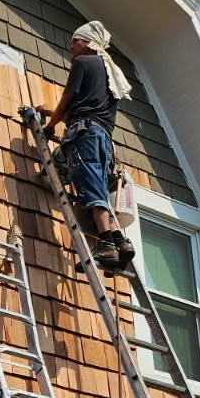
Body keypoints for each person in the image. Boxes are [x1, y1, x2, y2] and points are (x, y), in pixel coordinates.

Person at [38, 21, 135, 273]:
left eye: (74, 43)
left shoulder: (83, 64)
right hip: (102, 139)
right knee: (96, 186)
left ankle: (104, 245)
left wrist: (50, 126)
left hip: (85, 136)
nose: (71, 49)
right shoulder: (109, 73)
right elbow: (84, 108)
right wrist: (51, 113)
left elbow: (67, 100)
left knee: (90, 188)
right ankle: (119, 241)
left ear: (86, 42)